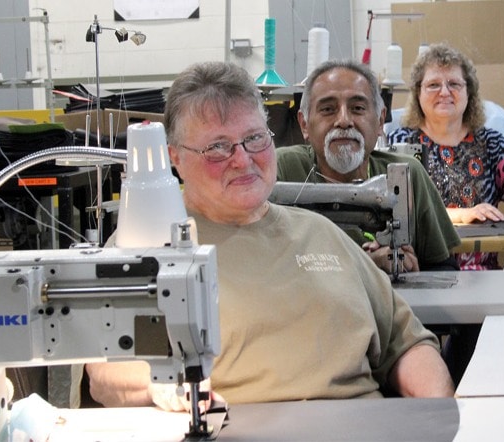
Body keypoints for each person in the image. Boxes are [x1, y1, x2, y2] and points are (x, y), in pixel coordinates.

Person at [86, 61, 454, 409]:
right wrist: (167, 386)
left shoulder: (319, 233)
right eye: (217, 147)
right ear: (175, 158)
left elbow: (407, 344)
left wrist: (440, 415)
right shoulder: (141, 244)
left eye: (254, 138)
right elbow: (105, 373)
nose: (243, 159)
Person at [389, 43, 504, 270]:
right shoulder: (400, 144)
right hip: (419, 273)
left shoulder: (491, 143)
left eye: (454, 84)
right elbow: (404, 211)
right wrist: (464, 215)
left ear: (468, 92)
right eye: (433, 85)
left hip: (483, 276)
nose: (444, 92)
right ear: (417, 93)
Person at [276, 59, 461, 274]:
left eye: (357, 108)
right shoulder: (283, 171)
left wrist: (409, 267)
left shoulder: (407, 173)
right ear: (304, 124)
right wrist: (367, 264)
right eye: (328, 109)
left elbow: (444, 268)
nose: (344, 121)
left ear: (381, 121)